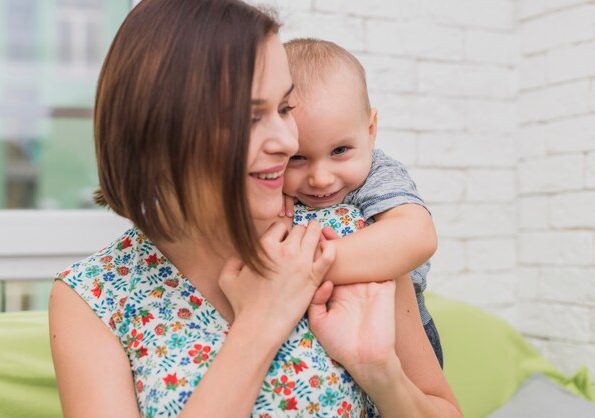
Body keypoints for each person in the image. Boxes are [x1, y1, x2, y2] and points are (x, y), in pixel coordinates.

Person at [48, 0, 462, 417]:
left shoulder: (353, 234)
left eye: (284, 109)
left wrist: (379, 371)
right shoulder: (94, 296)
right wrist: (261, 322)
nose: (287, 141)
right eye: (249, 118)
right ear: (160, 133)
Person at [281, 38, 443, 367]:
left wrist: (309, 267)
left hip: (400, 333)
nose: (321, 178)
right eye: (297, 157)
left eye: (340, 151)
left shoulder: (378, 174)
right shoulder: (270, 182)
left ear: (370, 131)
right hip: (325, 332)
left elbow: (417, 235)